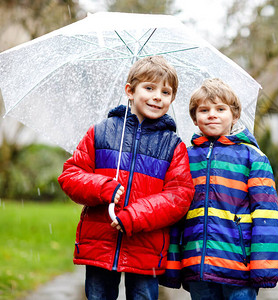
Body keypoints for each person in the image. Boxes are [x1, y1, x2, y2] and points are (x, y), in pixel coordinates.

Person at [58, 56, 195, 300]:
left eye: (166, 92)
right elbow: (71, 175)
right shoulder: (101, 132)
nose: (157, 96)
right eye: (149, 88)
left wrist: (135, 216)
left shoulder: (173, 146)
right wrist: (102, 187)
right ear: (129, 91)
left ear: (172, 99)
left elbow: (179, 196)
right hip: (101, 242)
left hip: (146, 246)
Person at [161, 78, 278, 299]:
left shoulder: (252, 158)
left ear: (234, 115)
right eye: (204, 110)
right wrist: (173, 263)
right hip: (197, 267)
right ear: (195, 119)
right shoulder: (184, 158)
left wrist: (263, 269)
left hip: (239, 269)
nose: (212, 114)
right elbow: (176, 214)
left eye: (220, 109)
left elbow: (265, 216)